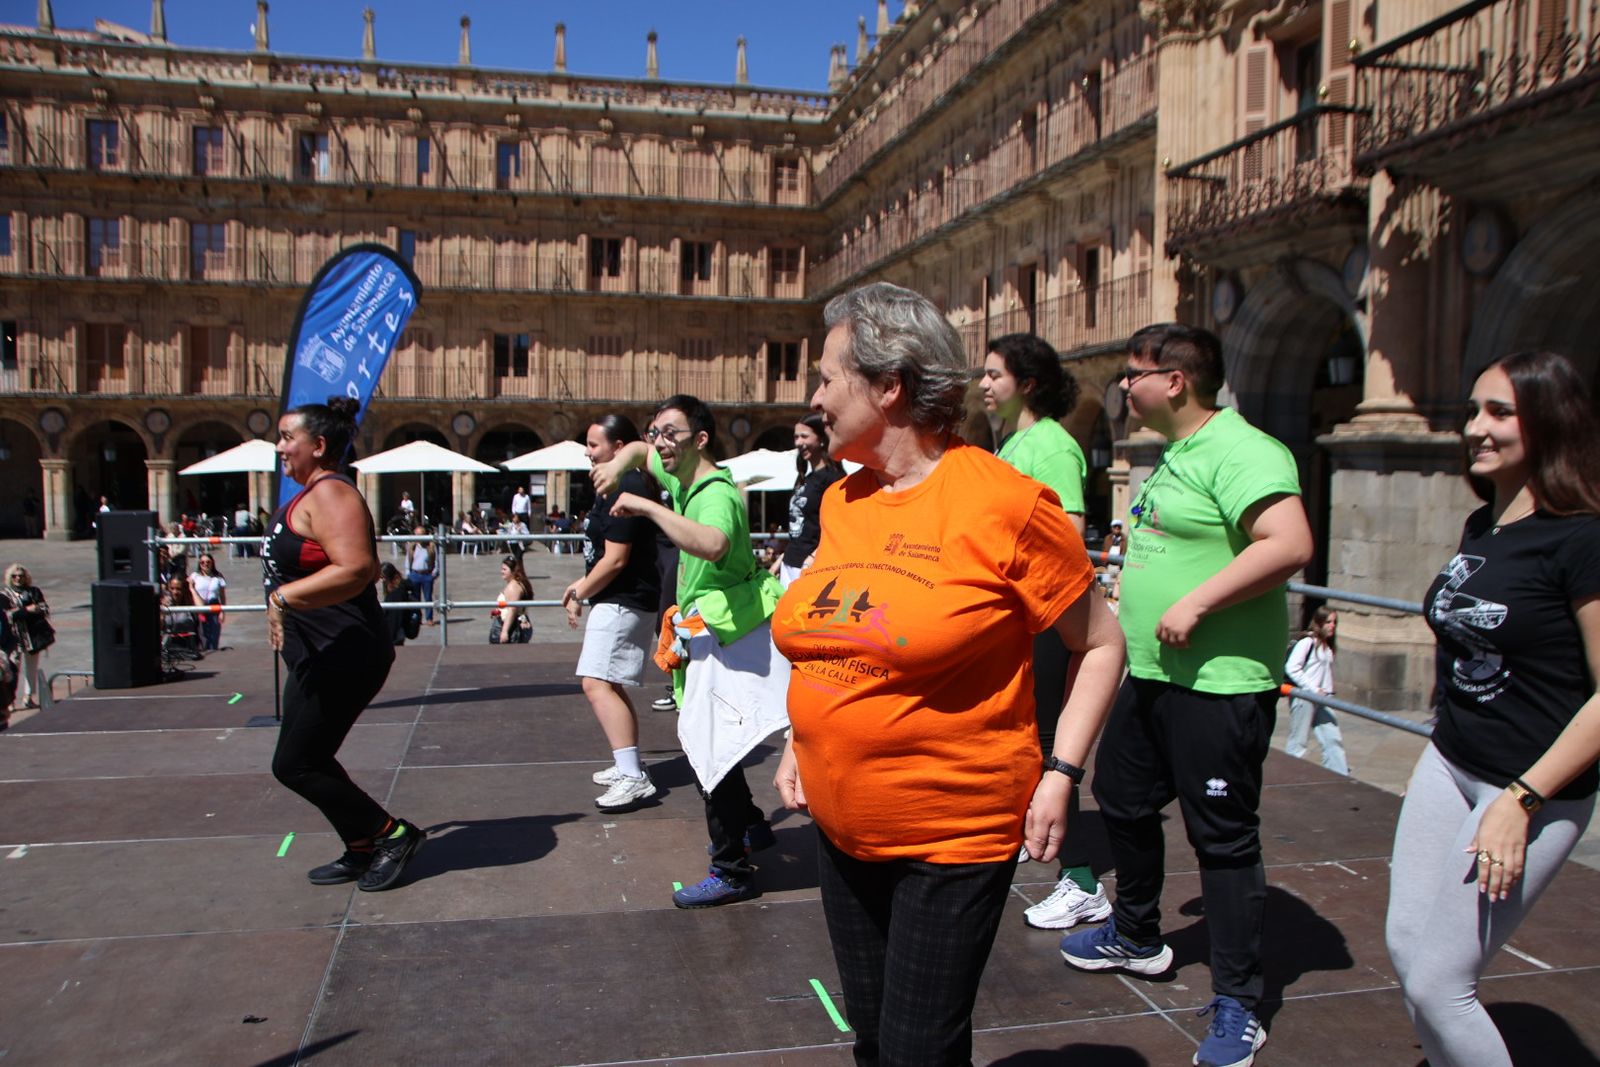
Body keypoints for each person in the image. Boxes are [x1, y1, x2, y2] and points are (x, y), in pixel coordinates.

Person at [770, 283, 1126, 1066]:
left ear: (889, 385)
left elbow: (1102, 644)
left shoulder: (1005, 503)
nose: (815, 398)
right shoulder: (843, 500)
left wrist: (1063, 771)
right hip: (839, 825)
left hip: (952, 831)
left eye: (828, 377)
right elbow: (838, 629)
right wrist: (802, 734)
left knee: (916, 1051)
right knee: (873, 1038)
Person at [1059, 323, 1313, 1067]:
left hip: (1219, 683)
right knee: (1125, 797)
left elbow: (1290, 543)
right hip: (1153, 674)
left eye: (1130, 375)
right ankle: (1137, 932)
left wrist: (1196, 603)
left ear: (1174, 380)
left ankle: (1239, 1000)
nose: (1122, 390)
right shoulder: (1174, 455)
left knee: (1223, 838)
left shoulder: (1245, 450)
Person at [1386, 351, 1600, 1067]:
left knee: (1442, 983)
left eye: (1499, 412)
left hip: (1529, 789)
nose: (1476, 427)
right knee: (1408, 950)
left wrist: (1524, 798)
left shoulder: (1584, 537)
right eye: (1474, 410)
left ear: (1548, 421)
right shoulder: (1484, 523)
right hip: (1450, 763)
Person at [594, 394, 790, 908]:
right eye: (656, 432)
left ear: (700, 439)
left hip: (735, 635)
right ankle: (749, 827)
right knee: (712, 737)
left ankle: (732, 868)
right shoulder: (680, 470)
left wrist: (646, 505)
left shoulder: (713, 494)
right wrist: (621, 460)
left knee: (705, 745)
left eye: (669, 434)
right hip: (719, 630)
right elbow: (640, 450)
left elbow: (713, 543)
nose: (659, 443)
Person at [264, 397, 423, 893]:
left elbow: (358, 568)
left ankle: (391, 835)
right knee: (311, 756)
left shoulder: (332, 494)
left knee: (295, 763)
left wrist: (284, 596)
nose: (280, 447)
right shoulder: (310, 494)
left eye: (288, 437)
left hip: (345, 651)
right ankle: (360, 846)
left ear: (320, 445)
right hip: (319, 653)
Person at [980, 331, 1107, 932]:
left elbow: (1069, 529)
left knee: (1054, 744)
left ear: (1027, 384)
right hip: (1017, 618)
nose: (983, 384)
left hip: (1048, 618)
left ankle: (1081, 881)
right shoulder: (1013, 443)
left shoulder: (1051, 445)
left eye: (994, 375)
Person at [564, 415, 662, 813]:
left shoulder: (628, 482)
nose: (588, 453)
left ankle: (633, 776)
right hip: (616, 596)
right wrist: (583, 584)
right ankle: (627, 764)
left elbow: (617, 558)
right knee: (609, 682)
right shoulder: (612, 483)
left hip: (625, 598)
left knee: (596, 683)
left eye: (594, 445)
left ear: (619, 447)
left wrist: (578, 592)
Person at [773, 412, 845, 588]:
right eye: (796, 437)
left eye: (804, 436)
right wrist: (779, 561)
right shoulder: (806, 478)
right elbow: (802, 528)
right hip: (790, 564)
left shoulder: (833, 479)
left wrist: (812, 559)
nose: (798, 442)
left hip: (812, 567)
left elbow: (839, 527)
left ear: (821, 439)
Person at [1284, 606, 1347, 775]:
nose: (1332, 625)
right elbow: (1292, 668)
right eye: (1328, 622)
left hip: (1323, 700)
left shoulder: (1327, 645)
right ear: (1319, 623)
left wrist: (1328, 692)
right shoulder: (1308, 642)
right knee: (1299, 742)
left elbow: (1324, 674)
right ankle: (1290, 774)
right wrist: (1313, 688)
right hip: (1305, 697)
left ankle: (1340, 776)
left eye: (1334, 622)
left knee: (1333, 739)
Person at [1, 564, 54, 709]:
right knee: (12, 669)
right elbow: (8, 615)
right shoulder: (4, 595)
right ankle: (10, 700)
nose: (18, 578)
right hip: (14, 638)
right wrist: (28, 609)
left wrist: (22, 611)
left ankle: (28, 697)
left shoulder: (33, 591)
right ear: (10, 578)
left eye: (21, 576)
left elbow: (43, 608)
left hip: (33, 636)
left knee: (32, 668)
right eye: (15, 576)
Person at [188, 553, 228, 652]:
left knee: (214, 633)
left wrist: (223, 612)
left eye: (208, 562)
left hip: (214, 605)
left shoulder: (218, 577)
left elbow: (222, 596)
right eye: (202, 562)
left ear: (212, 563)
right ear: (199, 564)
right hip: (199, 605)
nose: (205, 564)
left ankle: (213, 651)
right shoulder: (194, 576)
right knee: (202, 633)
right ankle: (204, 651)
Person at [491, 555, 533, 644]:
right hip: (511, 623)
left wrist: (504, 631)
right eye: (502, 569)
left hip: (511, 627)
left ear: (513, 571)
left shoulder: (513, 587)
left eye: (504, 569)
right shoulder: (515, 584)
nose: (501, 572)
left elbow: (512, 610)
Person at [377, 562, 420, 646]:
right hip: (397, 634)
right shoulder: (399, 589)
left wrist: (390, 637)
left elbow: (395, 617)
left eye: (382, 578)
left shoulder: (396, 593)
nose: (381, 581)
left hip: (394, 636)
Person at [406, 524, 438, 624]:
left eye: (421, 535)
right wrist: (408, 573)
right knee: (415, 598)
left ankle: (429, 618)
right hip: (415, 574)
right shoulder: (412, 546)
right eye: (417, 535)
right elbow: (408, 560)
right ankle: (417, 618)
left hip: (427, 575)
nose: (419, 538)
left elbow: (436, 560)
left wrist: (434, 572)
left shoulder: (431, 546)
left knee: (428, 597)